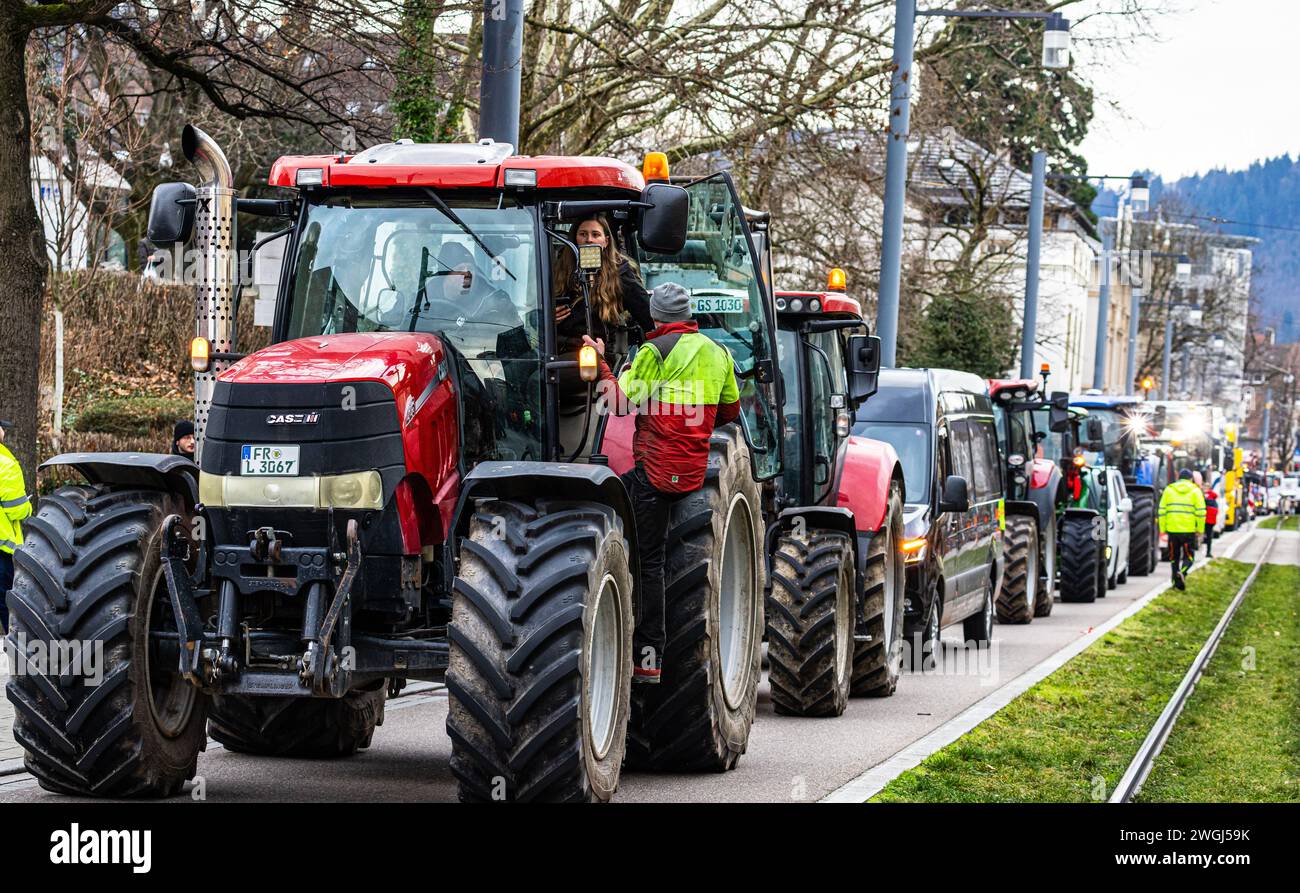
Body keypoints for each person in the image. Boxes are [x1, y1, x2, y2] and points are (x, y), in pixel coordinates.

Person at [583, 282, 740, 683]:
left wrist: (601, 364)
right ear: (687, 315)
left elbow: (616, 403)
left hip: (655, 470)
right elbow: (728, 410)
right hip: (693, 469)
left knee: (643, 560)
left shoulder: (655, 352)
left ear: (655, 317)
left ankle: (645, 656)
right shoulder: (719, 352)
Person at [552, 215, 653, 358]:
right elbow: (535, 314)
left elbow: (646, 314)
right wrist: (550, 318)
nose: (589, 240)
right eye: (583, 234)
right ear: (575, 240)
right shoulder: (560, 270)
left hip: (598, 354)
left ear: (606, 241)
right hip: (557, 349)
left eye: (595, 234)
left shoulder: (620, 274)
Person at [0, 418, 32, 634]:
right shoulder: (5, 464)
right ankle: (18, 653)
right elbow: (18, 510)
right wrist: (28, 507)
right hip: (2, 548)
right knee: (7, 602)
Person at [1159, 469, 1206, 590]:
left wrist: (1163, 528)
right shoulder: (1196, 491)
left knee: (1174, 557)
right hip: (1188, 530)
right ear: (1191, 479)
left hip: (1172, 530)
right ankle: (1182, 573)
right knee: (1189, 557)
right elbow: (1201, 512)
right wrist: (1200, 529)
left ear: (1178, 478)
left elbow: (1162, 511)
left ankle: (1175, 580)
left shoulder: (1169, 490)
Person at [1203, 486, 1219, 557]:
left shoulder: (1201, 496)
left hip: (1202, 520)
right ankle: (1208, 552)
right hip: (1211, 521)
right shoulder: (1213, 499)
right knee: (1209, 537)